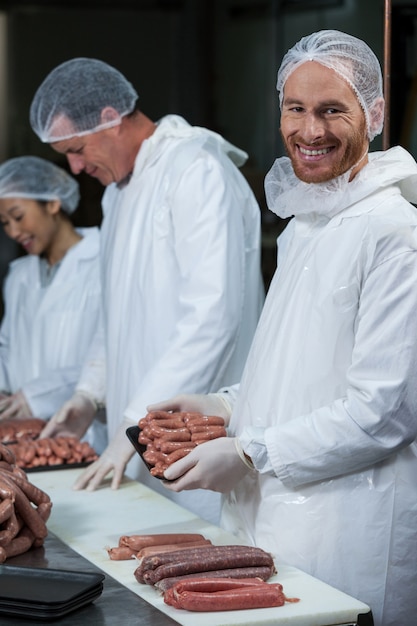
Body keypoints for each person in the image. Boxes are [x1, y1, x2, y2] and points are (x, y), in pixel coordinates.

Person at [148, 30, 417, 626]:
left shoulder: (394, 234)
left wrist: (250, 452)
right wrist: (222, 402)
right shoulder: (306, 225)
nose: (310, 131)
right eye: (295, 108)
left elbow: (383, 412)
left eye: (331, 110)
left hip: (345, 532)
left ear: (371, 116)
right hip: (275, 520)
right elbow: (299, 371)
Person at [30, 58, 264, 524]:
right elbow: (114, 313)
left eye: (76, 149)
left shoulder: (195, 169)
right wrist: (88, 395)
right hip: (135, 434)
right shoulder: (118, 193)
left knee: (197, 552)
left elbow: (211, 318)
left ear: (110, 120)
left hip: (191, 435)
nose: (74, 168)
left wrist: (138, 423)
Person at [0, 156, 106, 452]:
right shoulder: (19, 275)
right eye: (5, 223)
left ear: (53, 203)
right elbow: (7, 348)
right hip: (21, 436)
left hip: (87, 432)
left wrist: (37, 394)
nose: (12, 231)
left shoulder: (103, 261)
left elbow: (111, 349)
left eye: (18, 216)